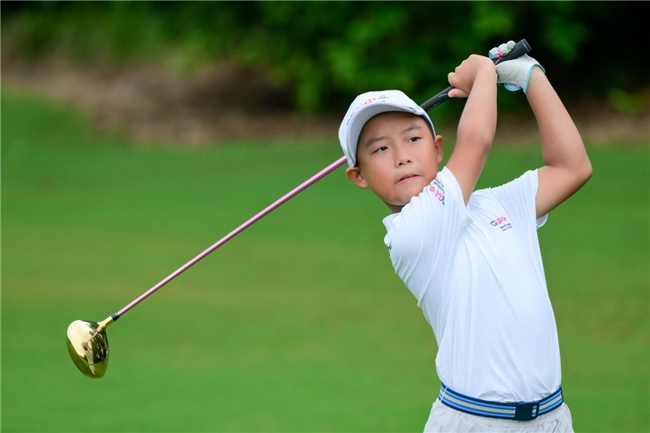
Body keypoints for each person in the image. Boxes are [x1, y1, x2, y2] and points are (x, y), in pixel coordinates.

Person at [337, 41, 592, 432]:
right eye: (381, 149)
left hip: (553, 419)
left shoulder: (498, 204)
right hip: (474, 422)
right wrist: (484, 72)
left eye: (413, 139)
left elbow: (572, 166)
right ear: (359, 176)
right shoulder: (410, 233)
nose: (402, 156)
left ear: (438, 149)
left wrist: (530, 77)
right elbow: (475, 142)